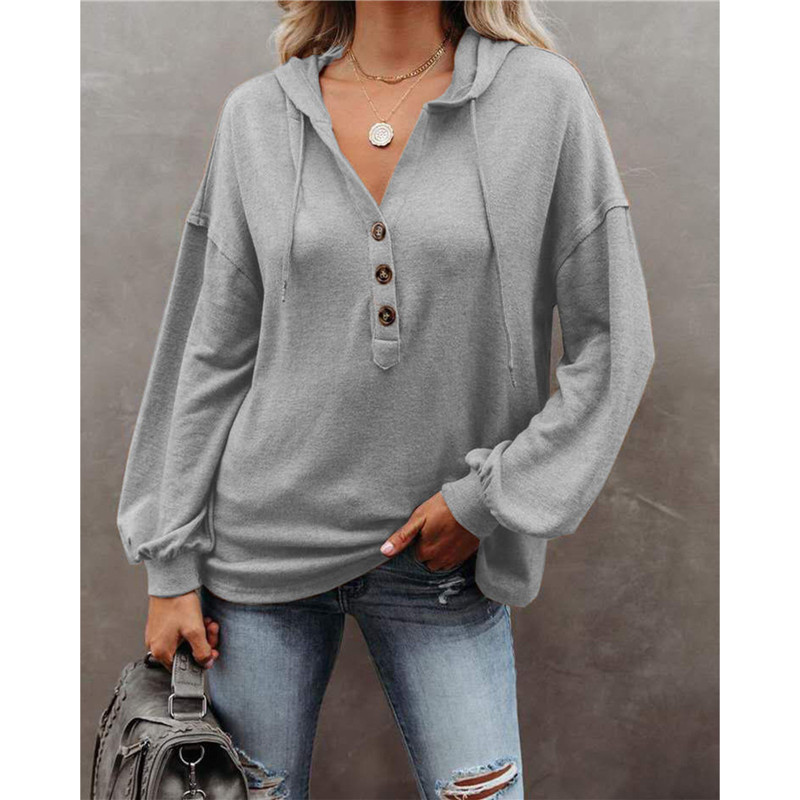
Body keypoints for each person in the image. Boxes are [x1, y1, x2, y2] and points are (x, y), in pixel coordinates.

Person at [116, 1, 655, 796]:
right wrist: (169, 566)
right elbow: (208, 358)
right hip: (257, 557)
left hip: (441, 558)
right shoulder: (256, 118)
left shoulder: (543, 101)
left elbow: (617, 341)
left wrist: (489, 498)